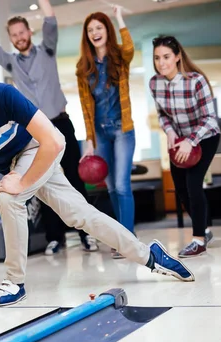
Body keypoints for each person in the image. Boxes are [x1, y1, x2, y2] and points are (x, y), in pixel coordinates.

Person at [0, 52, 195, 307]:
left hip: (38, 149)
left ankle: (14, 282)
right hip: (16, 164)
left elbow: (55, 141)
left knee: (9, 197)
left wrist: (20, 181)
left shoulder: (2, 97)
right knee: (81, 215)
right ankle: (150, 255)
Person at [0, 0, 98, 255]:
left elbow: (51, 20)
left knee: (74, 179)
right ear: (12, 39)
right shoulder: (12, 63)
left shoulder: (47, 50)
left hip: (60, 122)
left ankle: (87, 235)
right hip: (34, 130)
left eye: (22, 32)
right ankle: (54, 238)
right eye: (13, 35)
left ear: (29, 32)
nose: (18, 37)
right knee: (41, 180)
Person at [149, 35, 220, 257]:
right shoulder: (155, 83)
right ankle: (205, 229)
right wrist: (169, 131)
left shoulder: (196, 81)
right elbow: (162, 114)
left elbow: (210, 118)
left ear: (178, 57)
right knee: (180, 188)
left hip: (205, 136)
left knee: (193, 183)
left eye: (167, 57)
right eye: (157, 58)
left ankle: (198, 239)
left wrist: (191, 140)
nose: (162, 63)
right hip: (179, 140)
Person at [76, 6, 136, 259]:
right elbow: (86, 109)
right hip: (100, 133)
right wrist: (89, 141)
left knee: (122, 185)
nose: (95, 33)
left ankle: (128, 240)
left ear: (107, 31)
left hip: (123, 129)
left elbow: (130, 47)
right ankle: (120, 238)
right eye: (90, 30)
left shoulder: (121, 57)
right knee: (110, 186)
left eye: (99, 28)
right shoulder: (83, 68)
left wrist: (120, 17)